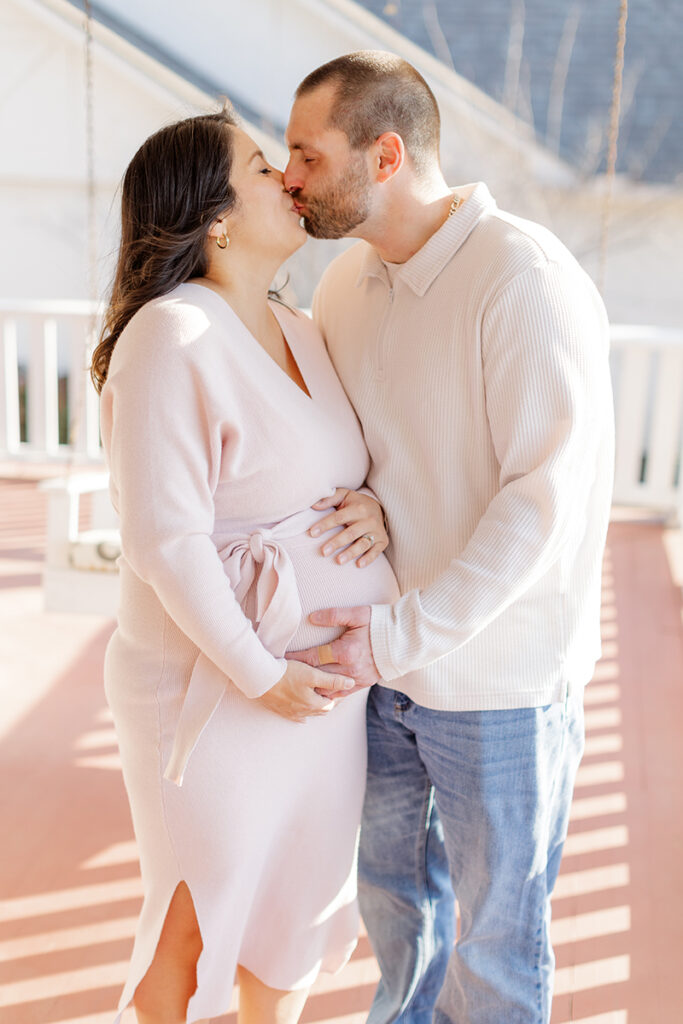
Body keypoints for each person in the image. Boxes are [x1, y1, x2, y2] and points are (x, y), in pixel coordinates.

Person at [284, 51, 615, 1024]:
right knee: (395, 912)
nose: (287, 176)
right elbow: (379, 452)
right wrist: (379, 507)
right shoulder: (344, 286)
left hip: (495, 690)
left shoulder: (523, 279)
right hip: (385, 679)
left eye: (307, 154)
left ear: (384, 154)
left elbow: (537, 507)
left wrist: (395, 635)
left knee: (494, 949)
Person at [91, 109, 401, 1024]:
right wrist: (260, 673)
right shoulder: (171, 333)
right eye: (265, 167)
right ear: (214, 216)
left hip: (316, 694)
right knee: (197, 904)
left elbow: (329, 475)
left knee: (298, 899)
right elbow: (165, 540)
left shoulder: (298, 328)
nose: (290, 180)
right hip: (215, 681)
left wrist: (372, 510)